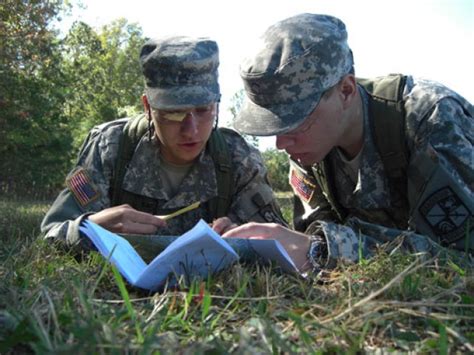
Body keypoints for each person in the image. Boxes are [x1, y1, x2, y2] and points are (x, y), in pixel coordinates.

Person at [225, 13, 473, 273]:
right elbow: (313, 236)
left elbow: (462, 259)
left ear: (345, 90)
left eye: (296, 121)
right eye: (274, 126)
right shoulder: (309, 149)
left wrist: (323, 250)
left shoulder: (430, 119)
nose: (281, 142)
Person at [41, 35, 285, 251]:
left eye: (203, 110)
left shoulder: (238, 158)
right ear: (148, 107)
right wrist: (91, 229)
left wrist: (242, 236)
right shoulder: (111, 147)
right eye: (174, 113)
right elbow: (52, 234)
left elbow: (280, 241)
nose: (191, 130)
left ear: (217, 104)